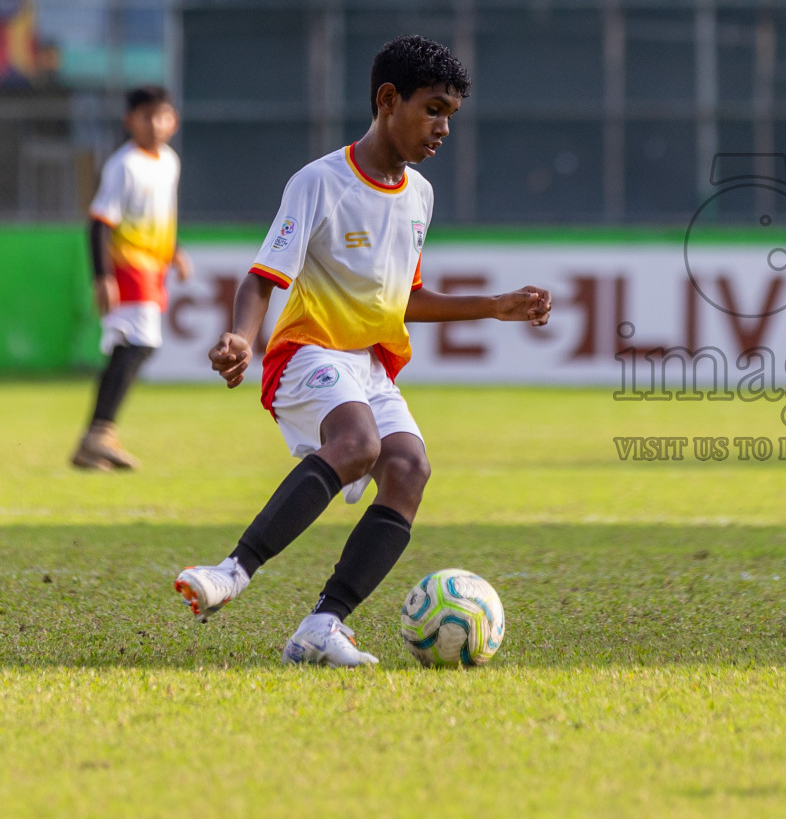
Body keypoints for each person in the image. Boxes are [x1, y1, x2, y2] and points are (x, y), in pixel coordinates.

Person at [174, 35, 552, 666]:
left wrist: (492, 306)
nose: (442, 128)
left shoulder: (420, 196)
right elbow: (262, 276)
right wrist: (242, 335)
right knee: (359, 445)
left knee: (408, 471)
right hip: (307, 351)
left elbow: (401, 296)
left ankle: (323, 626)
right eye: (432, 109)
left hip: (370, 364)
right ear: (387, 100)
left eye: (450, 116)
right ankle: (231, 572)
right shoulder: (319, 182)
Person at [72, 86, 192, 470]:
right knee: (139, 344)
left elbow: (158, 213)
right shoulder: (124, 165)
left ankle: (95, 437)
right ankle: (99, 433)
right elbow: (98, 223)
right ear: (130, 121)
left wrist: (173, 251)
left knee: (133, 347)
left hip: (153, 267)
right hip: (128, 267)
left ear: (173, 120)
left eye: (163, 116)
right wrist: (101, 277)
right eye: (147, 116)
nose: (156, 124)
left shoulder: (169, 161)